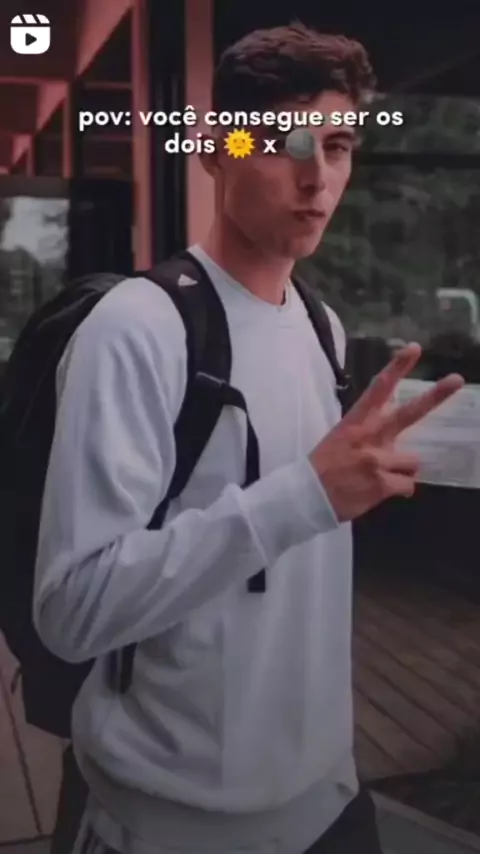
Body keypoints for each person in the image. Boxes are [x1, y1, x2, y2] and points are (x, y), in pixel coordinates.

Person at [33, 22, 463, 854]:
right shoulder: (139, 327)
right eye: (281, 143)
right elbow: (73, 609)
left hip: (328, 794)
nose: (316, 177)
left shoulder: (322, 328)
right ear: (213, 151)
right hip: (169, 821)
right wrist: (304, 497)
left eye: (336, 147)